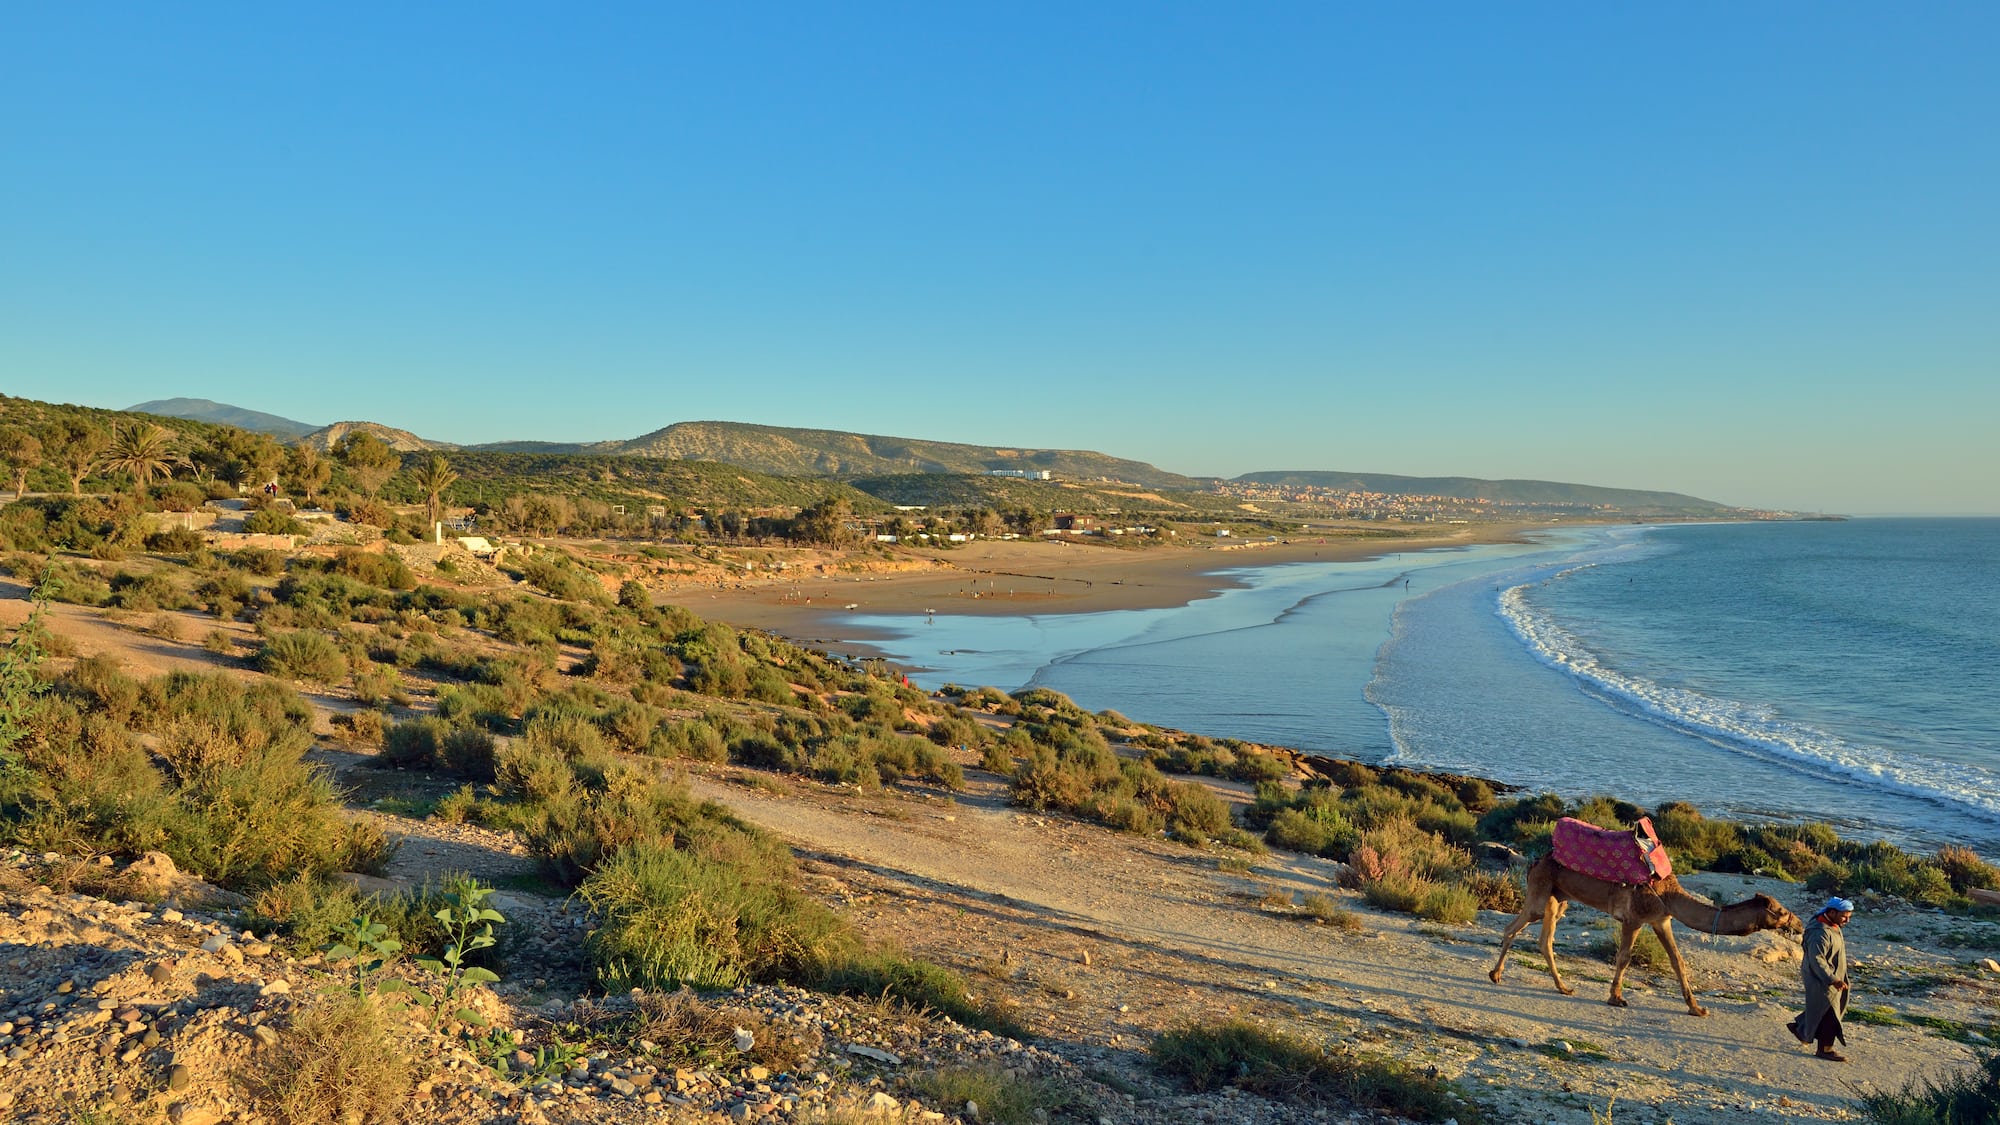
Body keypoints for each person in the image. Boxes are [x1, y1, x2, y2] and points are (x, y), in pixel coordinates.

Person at [1788, 896, 1854, 1061]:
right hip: (1820, 978)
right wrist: (1832, 979)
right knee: (1829, 1014)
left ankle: (1801, 1028)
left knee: (1822, 1009)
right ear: (1832, 912)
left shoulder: (1833, 926)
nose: (1847, 920)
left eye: (1849, 916)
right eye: (1844, 916)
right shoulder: (1820, 932)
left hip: (1831, 977)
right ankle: (1825, 1049)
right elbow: (1817, 959)